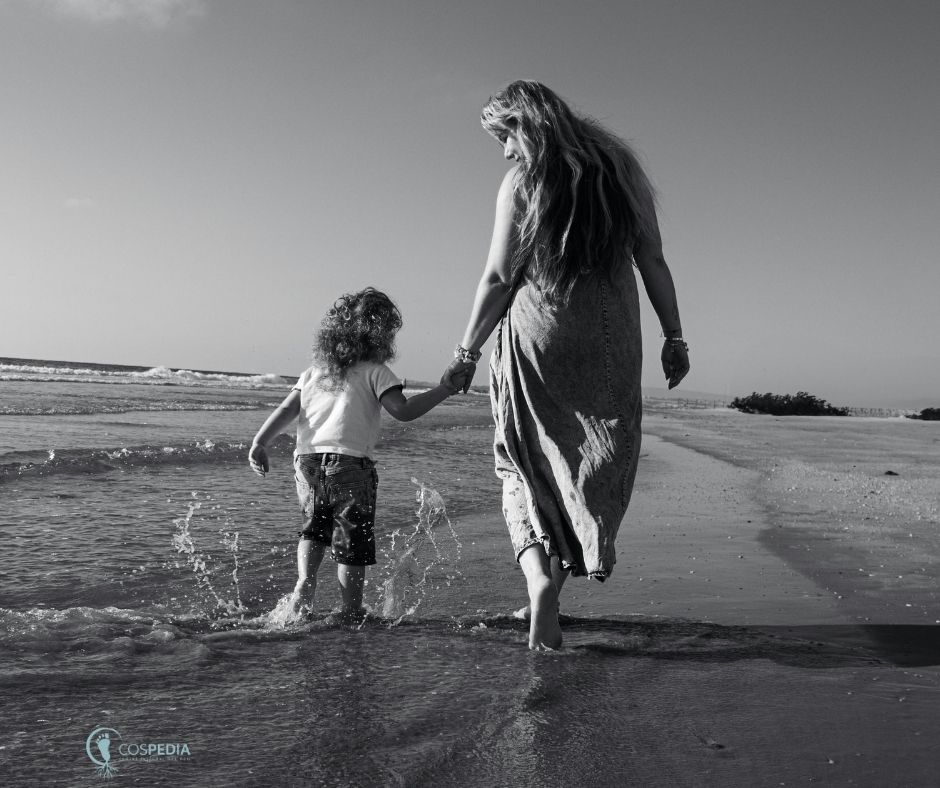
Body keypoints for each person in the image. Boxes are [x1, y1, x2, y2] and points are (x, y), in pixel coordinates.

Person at [441, 81, 690, 649]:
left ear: (526, 124)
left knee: (520, 462)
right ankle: (556, 583)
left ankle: (537, 581)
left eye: (505, 135)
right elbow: (651, 258)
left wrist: (465, 353)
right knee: (591, 460)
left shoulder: (524, 181)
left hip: (540, 331)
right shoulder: (622, 168)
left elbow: (502, 278)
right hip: (611, 337)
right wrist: (674, 336)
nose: (504, 151)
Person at [250, 287, 469, 622]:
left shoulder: (314, 372)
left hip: (306, 463)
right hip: (350, 465)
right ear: (381, 334)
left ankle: (304, 587)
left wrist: (260, 442)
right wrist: (445, 389)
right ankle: (350, 609)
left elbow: (286, 409)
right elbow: (404, 411)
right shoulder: (376, 371)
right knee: (350, 536)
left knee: (314, 527)